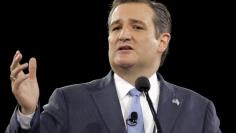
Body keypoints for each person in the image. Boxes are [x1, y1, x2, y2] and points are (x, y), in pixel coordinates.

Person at [6, 0, 221, 133]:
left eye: (137, 27)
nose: (123, 35)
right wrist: (27, 112)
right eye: (116, 28)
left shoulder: (199, 111)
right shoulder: (69, 101)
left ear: (162, 42)